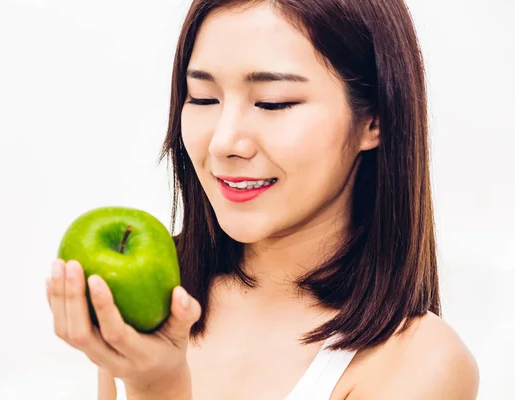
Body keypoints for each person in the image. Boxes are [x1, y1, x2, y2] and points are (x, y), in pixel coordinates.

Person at [46, 0, 480, 399]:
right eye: (203, 97)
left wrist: (156, 387)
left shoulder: (420, 362)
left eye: (273, 103)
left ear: (374, 119)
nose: (223, 141)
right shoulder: (154, 291)